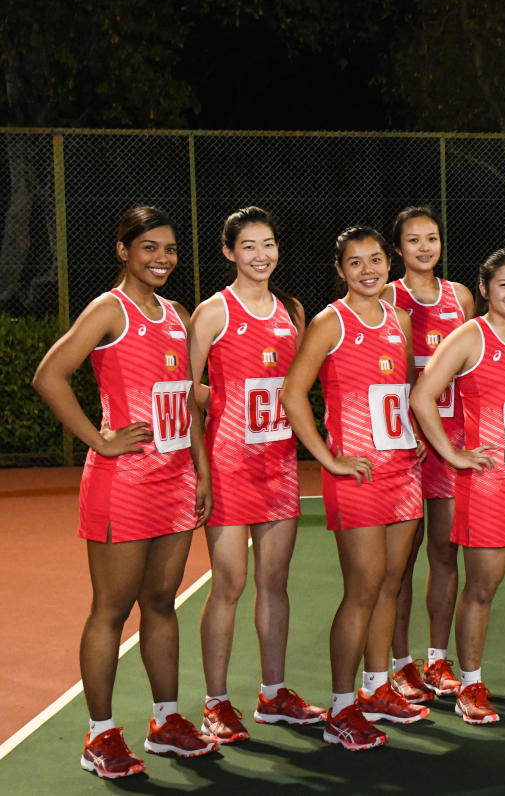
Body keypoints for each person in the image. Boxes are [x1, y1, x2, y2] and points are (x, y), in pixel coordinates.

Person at [33, 206, 217, 778]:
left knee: (161, 603)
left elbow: (184, 400)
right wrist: (100, 439)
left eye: (169, 249)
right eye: (149, 248)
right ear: (123, 251)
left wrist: (202, 469)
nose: (162, 259)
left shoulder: (177, 314)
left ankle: (165, 723)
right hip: (125, 483)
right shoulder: (108, 310)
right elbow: (48, 375)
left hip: (174, 480)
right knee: (111, 611)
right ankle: (100, 736)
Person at [281, 227, 427, 750]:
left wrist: (417, 438)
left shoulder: (400, 320)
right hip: (358, 476)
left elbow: (404, 390)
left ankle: (376, 687)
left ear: (388, 263)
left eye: (375, 259)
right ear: (340, 270)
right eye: (355, 262)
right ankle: (341, 708)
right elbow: (292, 394)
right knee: (363, 587)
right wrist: (328, 457)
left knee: (390, 582)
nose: (367, 269)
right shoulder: (329, 321)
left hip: (403, 471)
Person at [189, 207, 324, 745]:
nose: (261, 255)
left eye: (268, 244)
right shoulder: (213, 312)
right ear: (229, 252)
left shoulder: (291, 311)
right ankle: (216, 704)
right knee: (229, 583)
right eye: (248, 246)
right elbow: (183, 391)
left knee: (274, 584)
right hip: (227, 467)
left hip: (279, 466)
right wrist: (201, 466)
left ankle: (273, 694)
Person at [412, 249, 505, 725]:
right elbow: (422, 396)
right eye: (504, 285)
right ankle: (472, 684)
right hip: (488, 483)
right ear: (485, 289)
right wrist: (454, 454)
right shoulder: (468, 337)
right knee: (482, 587)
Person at [382, 206, 475, 701]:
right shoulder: (384, 296)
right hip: (400, 446)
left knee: (444, 553)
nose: (424, 247)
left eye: (432, 238)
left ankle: (437, 660)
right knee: (398, 562)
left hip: (447, 443)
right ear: (398, 249)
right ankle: (398, 664)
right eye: (413, 240)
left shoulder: (460, 297)